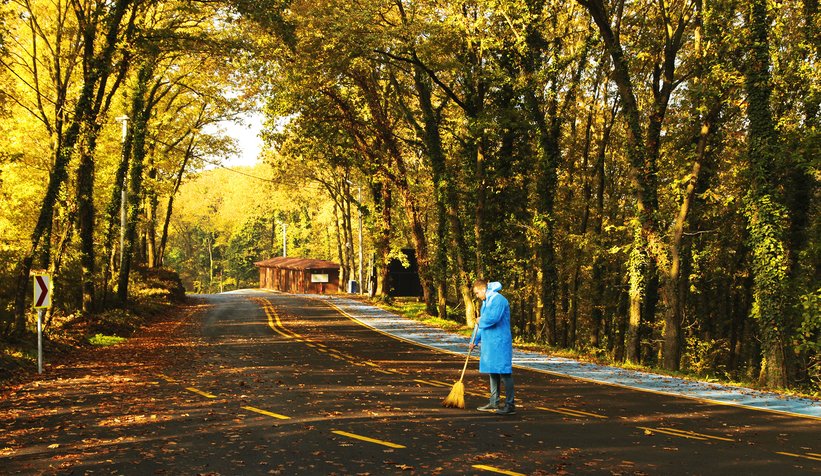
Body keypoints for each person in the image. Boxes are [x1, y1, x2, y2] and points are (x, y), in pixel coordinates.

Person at [470, 279, 515, 415]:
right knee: (493, 371)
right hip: (490, 342)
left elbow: (492, 318)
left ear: (483, 289)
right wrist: (474, 340)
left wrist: (480, 320)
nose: (477, 296)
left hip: (500, 341)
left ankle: (510, 404)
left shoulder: (498, 300)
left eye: (477, 293)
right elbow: (480, 326)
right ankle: (494, 401)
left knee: (504, 372)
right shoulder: (486, 302)